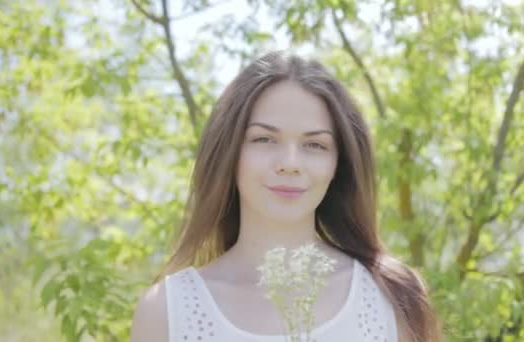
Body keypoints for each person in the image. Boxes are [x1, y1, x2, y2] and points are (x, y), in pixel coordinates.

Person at [130, 51, 439, 342]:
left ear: (338, 164)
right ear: (228, 153)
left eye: (315, 145)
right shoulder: (167, 312)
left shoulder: (391, 295)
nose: (290, 164)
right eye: (264, 139)